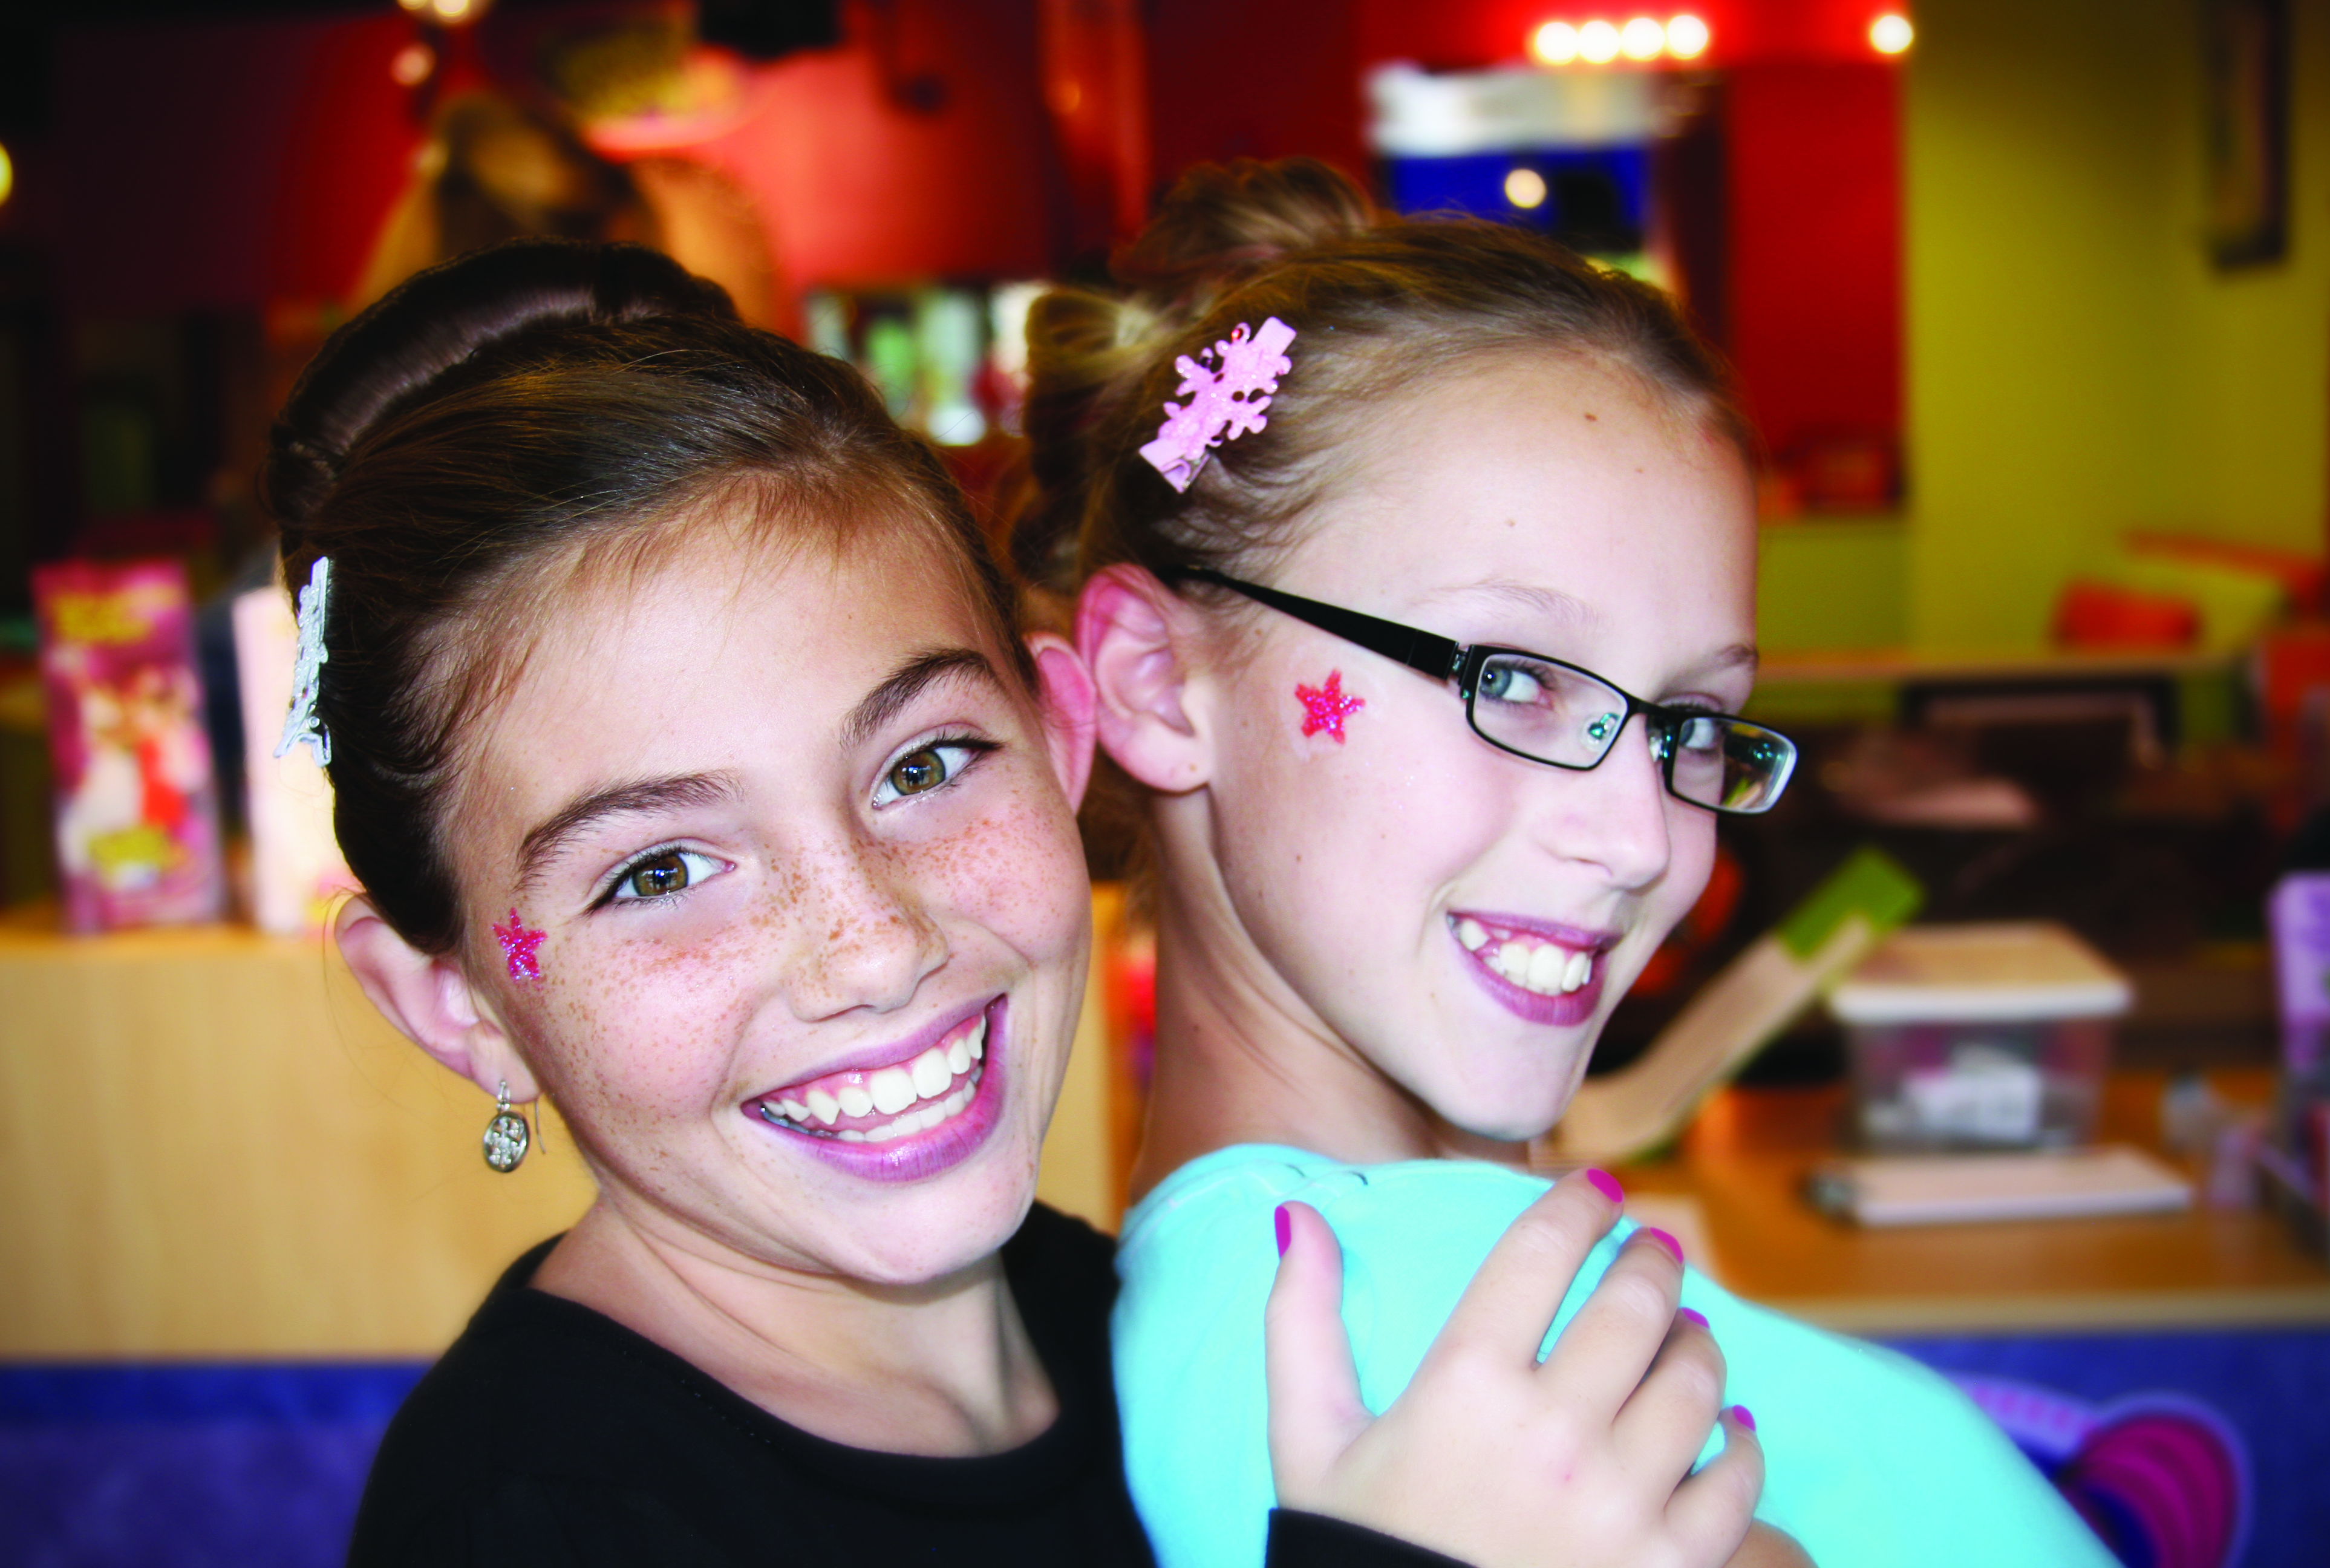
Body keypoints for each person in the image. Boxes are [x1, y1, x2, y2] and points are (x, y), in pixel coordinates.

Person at [271, 237, 1768, 1567]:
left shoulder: (1143, 1323)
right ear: (460, 1002)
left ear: (1063, 740)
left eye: (925, 765)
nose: (875, 943)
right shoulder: (530, 1520)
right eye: (658, 871)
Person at [1017, 158, 2118, 1568]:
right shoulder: (1343, 1383)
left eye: (1690, 722)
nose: (1646, 835)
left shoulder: (1458, 1313)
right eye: (1515, 677)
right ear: (1162, 685)